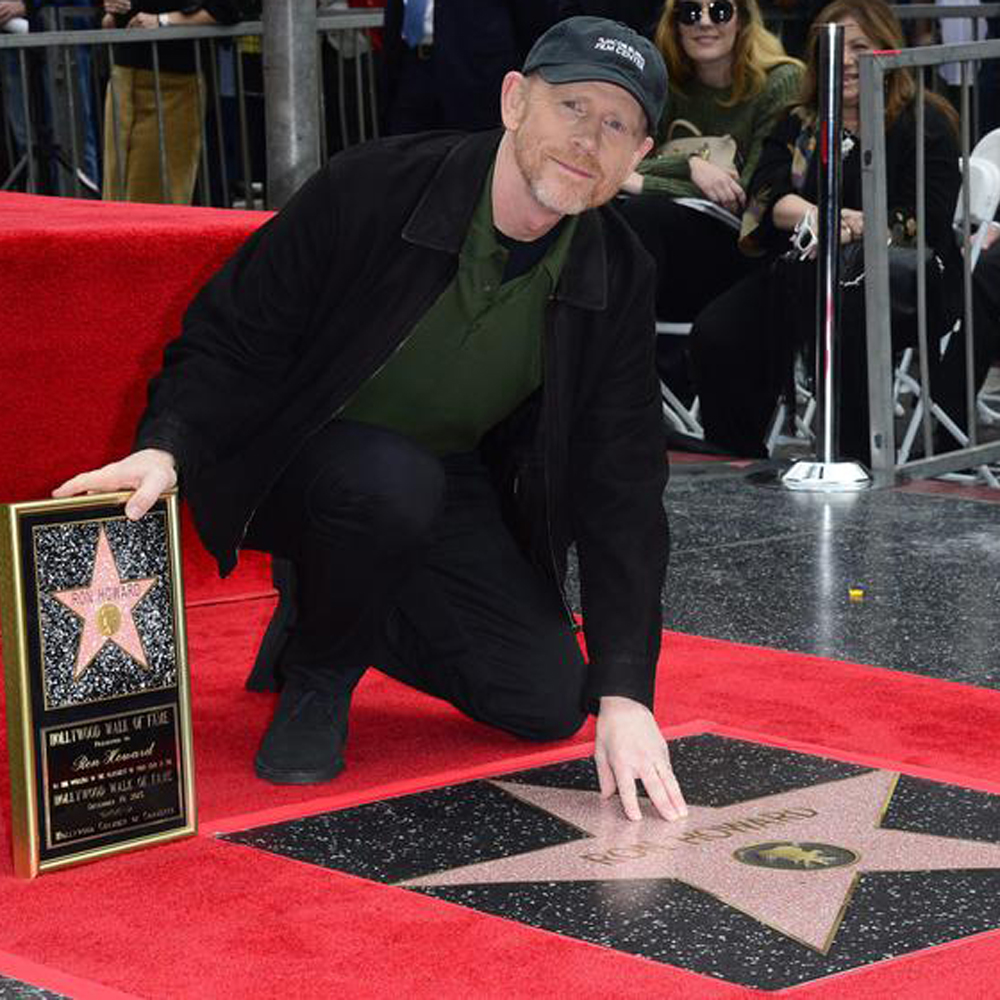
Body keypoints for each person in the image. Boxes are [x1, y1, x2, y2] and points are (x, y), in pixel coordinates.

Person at [55, 17, 689, 824]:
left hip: (442, 477)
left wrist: (627, 691)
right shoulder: (375, 186)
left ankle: (326, 596)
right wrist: (167, 446)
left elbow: (622, 482)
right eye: (572, 106)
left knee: (547, 699)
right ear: (514, 100)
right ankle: (319, 677)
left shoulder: (619, 271)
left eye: (617, 125)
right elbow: (235, 332)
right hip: (293, 450)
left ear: (639, 156)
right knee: (388, 482)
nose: (587, 140)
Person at [689, 0, 963, 461]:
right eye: (836, 48)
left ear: (887, 48)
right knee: (717, 332)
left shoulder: (925, 121)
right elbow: (765, 197)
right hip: (806, 271)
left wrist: (852, 229)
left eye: (861, 46)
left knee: (847, 311)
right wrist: (824, 217)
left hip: (904, 281)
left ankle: (850, 457)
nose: (848, 60)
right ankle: (737, 455)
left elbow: (926, 221)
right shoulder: (801, 122)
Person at [616, 0, 802, 393]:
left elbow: (749, 193)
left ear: (744, 20)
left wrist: (646, 178)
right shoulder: (666, 82)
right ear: (674, 24)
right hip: (670, 254)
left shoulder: (779, 81)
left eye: (719, 10)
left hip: (747, 251)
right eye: (689, 11)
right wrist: (690, 166)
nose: (703, 23)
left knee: (641, 212)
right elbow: (620, 163)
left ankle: (623, 375)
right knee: (614, 217)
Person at [100, 0, 241, 204]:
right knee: (116, 186)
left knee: (158, 190)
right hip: (123, 78)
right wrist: (111, 12)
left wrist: (163, 21)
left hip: (174, 83)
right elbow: (109, 23)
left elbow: (227, 10)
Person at [381, 0, 568, 135]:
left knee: (470, 167)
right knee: (409, 161)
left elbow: (535, 20)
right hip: (411, 69)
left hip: (477, 79)